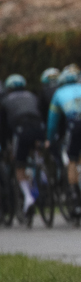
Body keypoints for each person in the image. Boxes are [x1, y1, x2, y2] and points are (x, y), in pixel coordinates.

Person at [46, 64, 81, 216]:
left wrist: (50, 139)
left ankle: (75, 197)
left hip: (76, 122)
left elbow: (52, 122)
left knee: (72, 159)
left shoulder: (59, 93)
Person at [1, 74, 44, 215]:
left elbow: (4, 127)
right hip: (38, 126)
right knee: (36, 148)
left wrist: (5, 144)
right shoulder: (32, 96)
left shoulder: (5, 100)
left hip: (21, 128)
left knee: (19, 164)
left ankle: (28, 197)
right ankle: (41, 171)